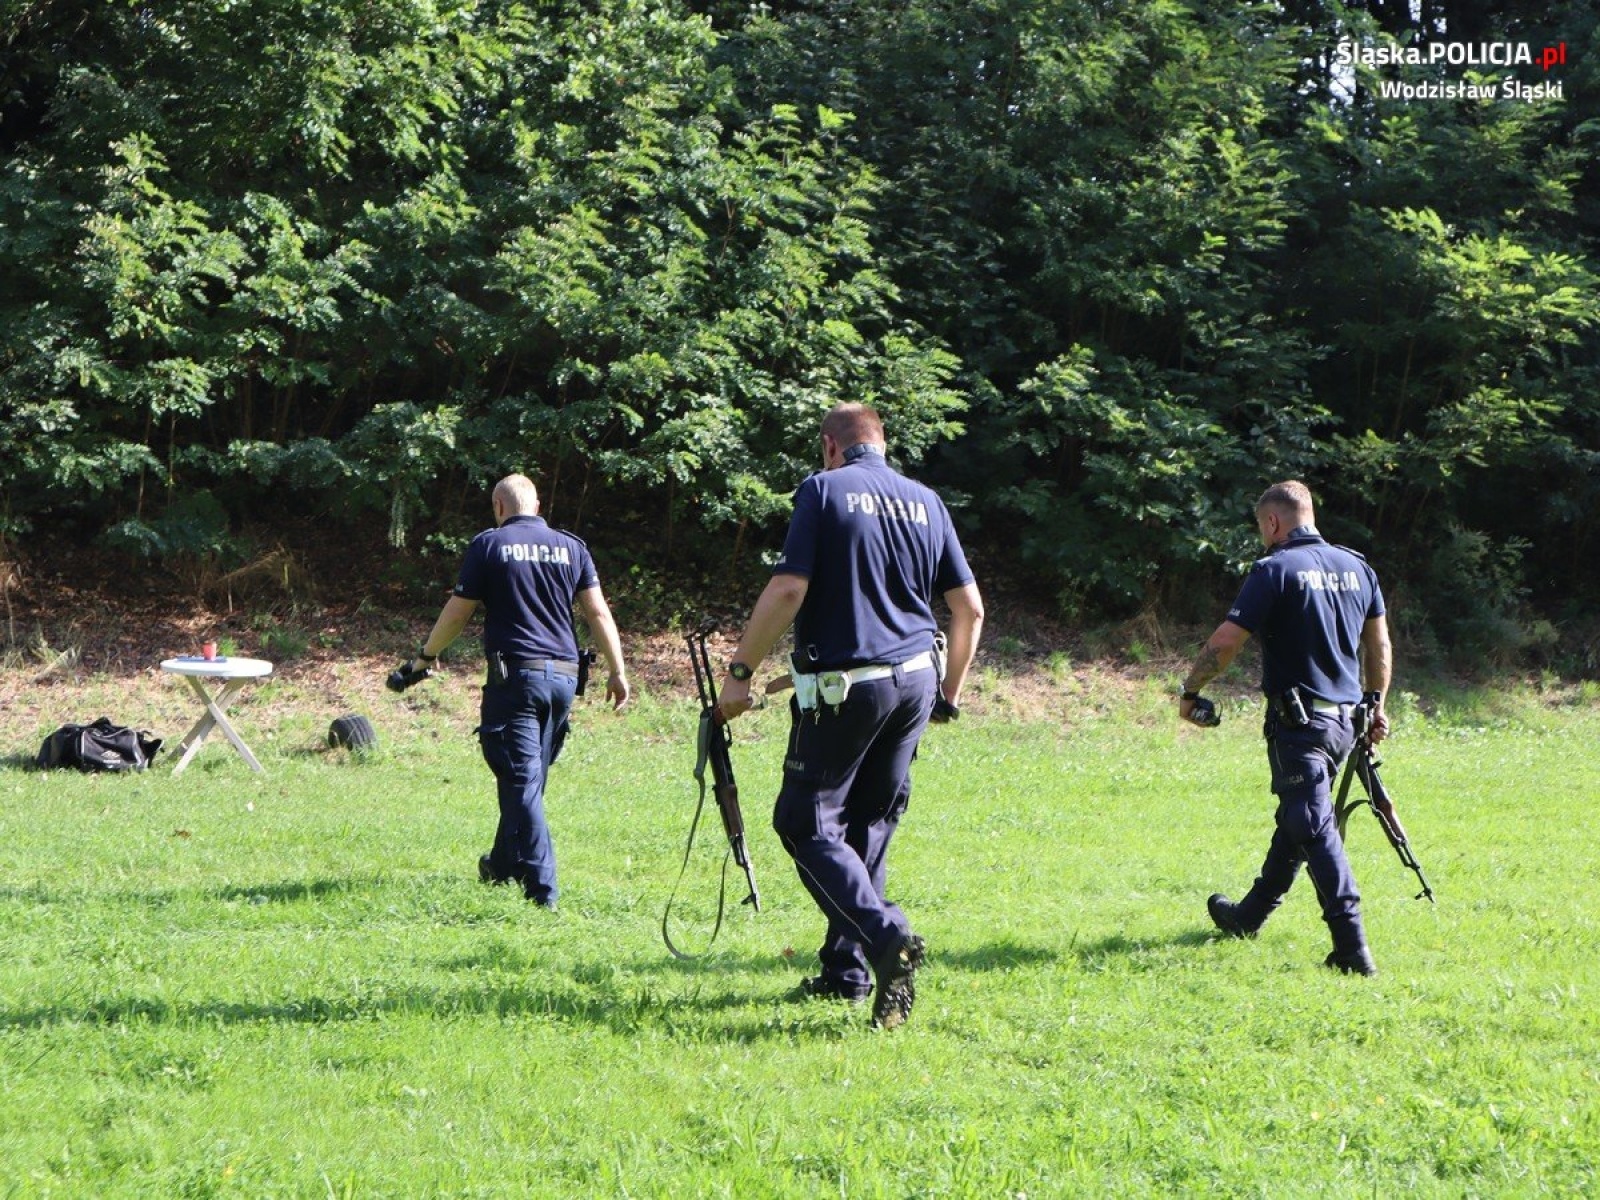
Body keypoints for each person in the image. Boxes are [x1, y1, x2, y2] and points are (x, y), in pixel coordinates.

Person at [718, 403, 984, 1029]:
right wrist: (949, 693)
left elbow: (788, 589)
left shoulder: (823, 489)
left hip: (850, 688)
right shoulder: (927, 501)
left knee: (803, 819)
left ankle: (885, 935)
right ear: (881, 445)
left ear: (830, 447)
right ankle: (848, 975)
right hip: (917, 680)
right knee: (868, 824)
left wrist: (740, 674)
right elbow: (969, 609)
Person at [1178, 480, 1392, 976]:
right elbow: (1378, 645)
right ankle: (1247, 917)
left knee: (1314, 828)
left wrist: (1190, 692)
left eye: (1261, 527)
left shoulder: (1274, 568)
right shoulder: (1358, 567)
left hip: (1300, 725)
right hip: (1345, 724)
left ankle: (1351, 949)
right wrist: (1376, 703)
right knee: (1299, 819)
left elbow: (1226, 640)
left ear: (1272, 522)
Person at [402, 474, 629, 909]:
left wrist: (426, 656)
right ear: (537, 506)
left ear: (498, 507)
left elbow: (456, 614)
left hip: (517, 681)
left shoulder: (489, 545)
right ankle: (503, 864)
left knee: (522, 781)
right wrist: (618, 671)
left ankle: (543, 892)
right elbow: (598, 611)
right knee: (527, 779)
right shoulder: (572, 546)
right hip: (564, 679)